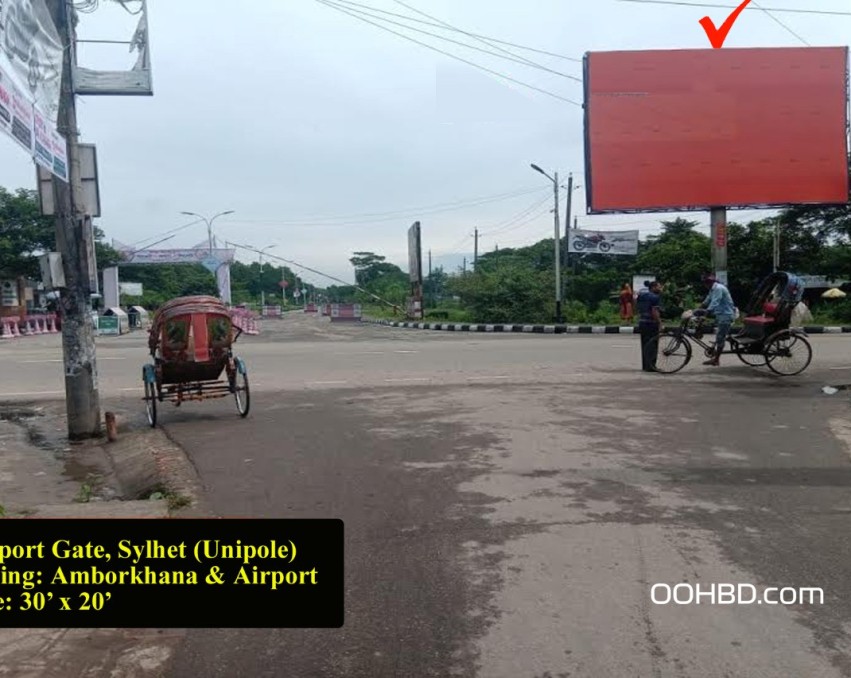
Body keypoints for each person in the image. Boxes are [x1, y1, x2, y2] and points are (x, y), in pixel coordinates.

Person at [695, 274, 736, 366]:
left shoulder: (718, 289)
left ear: (709, 283)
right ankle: (716, 347)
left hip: (726, 315)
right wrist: (696, 310)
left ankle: (716, 359)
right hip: (720, 314)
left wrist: (705, 315)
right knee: (716, 332)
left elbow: (714, 303)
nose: (705, 285)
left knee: (720, 337)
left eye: (705, 283)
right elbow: (707, 301)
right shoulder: (712, 289)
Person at [637, 280, 663, 372]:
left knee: (645, 344)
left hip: (642, 322)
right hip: (651, 323)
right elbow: (654, 312)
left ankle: (645, 366)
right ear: (653, 287)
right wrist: (659, 323)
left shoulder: (641, 296)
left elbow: (637, 307)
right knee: (653, 345)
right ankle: (651, 366)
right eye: (659, 287)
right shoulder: (655, 297)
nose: (660, 289)